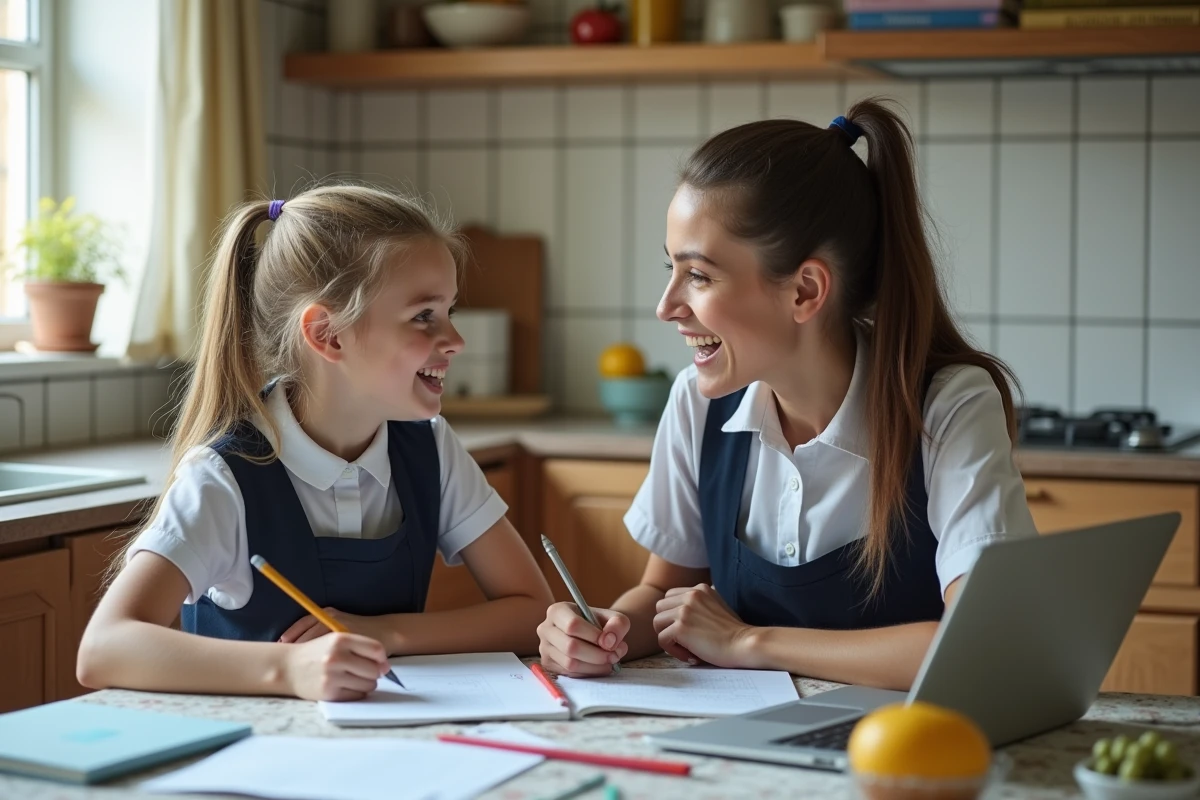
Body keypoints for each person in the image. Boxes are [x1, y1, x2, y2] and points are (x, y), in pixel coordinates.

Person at [537, 100, 1036, 691]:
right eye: (670, 268)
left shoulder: (946, 406)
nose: (666, 305)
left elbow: (982, 644)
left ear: (804, 290)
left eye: (698, 275)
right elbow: (664, 593)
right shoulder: (696, 403)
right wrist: (603, 631)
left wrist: (748, 642)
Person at [79, 185, 553, 701]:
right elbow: (104, 648)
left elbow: (531, 610)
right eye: (424, 316)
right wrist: (289, 669)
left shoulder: (431, 450)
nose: (456, 340)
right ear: (328, 335)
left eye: (449, 312)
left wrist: (386, 634)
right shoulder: (224, 477)